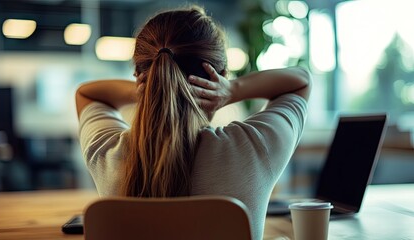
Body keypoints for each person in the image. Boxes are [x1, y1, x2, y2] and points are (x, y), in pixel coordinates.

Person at [75, 6, 311, 240]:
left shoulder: (108, 152)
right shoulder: (252, 147)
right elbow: (300, 82)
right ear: (220, 76)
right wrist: (233, 90)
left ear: (138, 75)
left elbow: (87, 94)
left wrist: (155, 90)